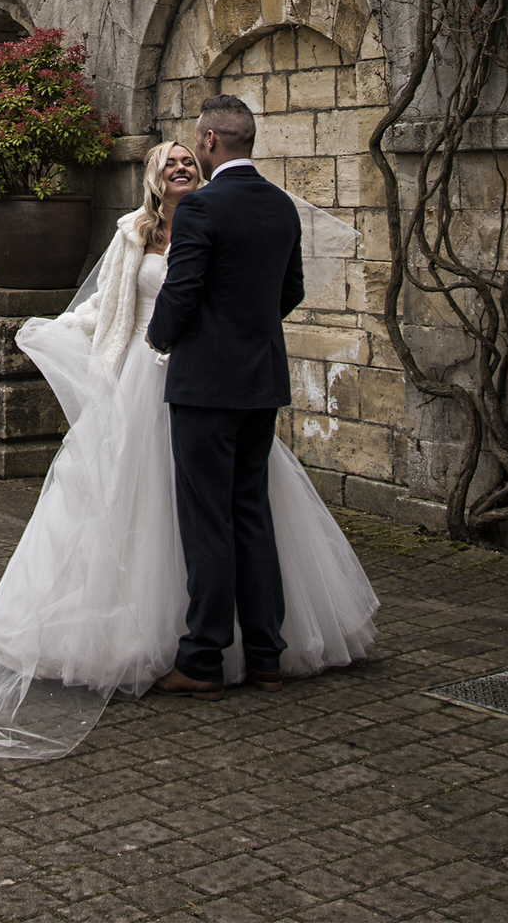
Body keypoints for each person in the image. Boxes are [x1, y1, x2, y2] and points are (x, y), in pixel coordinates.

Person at [0, 131, 377, 761]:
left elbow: (228, 293)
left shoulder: (219, 213)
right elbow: (111, 300)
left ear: (207, 156)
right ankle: (233, 646)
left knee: (224, 512)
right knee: (173, 507)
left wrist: (175, 338)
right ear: (155, 176)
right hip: (153, 377)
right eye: (172, 162)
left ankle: (222, 651)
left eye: (190, 158)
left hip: (194, 375)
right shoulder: (136, 231)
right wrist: (62, 329)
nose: (184, 165)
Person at [147, 93, 304, 699]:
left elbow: (179, 295)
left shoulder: (201, 210)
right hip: (260, 382)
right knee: (251, 514)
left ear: (210, 141)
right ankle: (266, 655)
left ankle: (204, 659)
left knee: (207, 520)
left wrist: (159, 340)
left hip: (205, 385)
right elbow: (288, 290)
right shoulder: (282, 207)